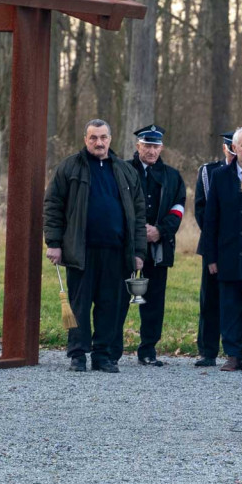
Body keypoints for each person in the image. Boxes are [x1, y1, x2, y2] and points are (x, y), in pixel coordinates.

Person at [44, 119, 146, 373]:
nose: (99, 142)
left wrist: (139, 252)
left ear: (110, 139)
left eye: (103, 137)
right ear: (85, 139)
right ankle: (78, 354)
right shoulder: (69, 168)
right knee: (79, 304)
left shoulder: (125, 171)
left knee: (110, 305)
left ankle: (103, 356)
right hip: (81, 250)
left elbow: (139, 214)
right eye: (93, 138)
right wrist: (54, 243)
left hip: (116, 251)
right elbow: (53, 206)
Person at [203, 126, 242, 373]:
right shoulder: (220, 176)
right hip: (226, 252)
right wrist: (210, 256)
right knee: (229, 305)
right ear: (233, 148)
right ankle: (232, 353)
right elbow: (210, 219)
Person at [130, 124, 187, 367]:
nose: (151, 151)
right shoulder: (123, 170)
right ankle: (109, 348)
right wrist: (136, 233)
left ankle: (148, 350)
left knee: (154, 301)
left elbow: (178, 208)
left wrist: (159, 231)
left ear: (161, 147)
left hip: (158, 246)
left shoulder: (172, 176)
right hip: (127, 245)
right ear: (138, 146)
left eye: (156, 146)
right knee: (117, 297)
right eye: (147, 146)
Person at [193, 133, 235, 367]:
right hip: (213, 242)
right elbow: (201, 209)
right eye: (231, 148)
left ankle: (239, 350)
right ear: (225, 148)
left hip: (238, 245)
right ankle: (207, 350)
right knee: (209, 299)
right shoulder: (209, 172)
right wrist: (214, 238)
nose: (235, 152)